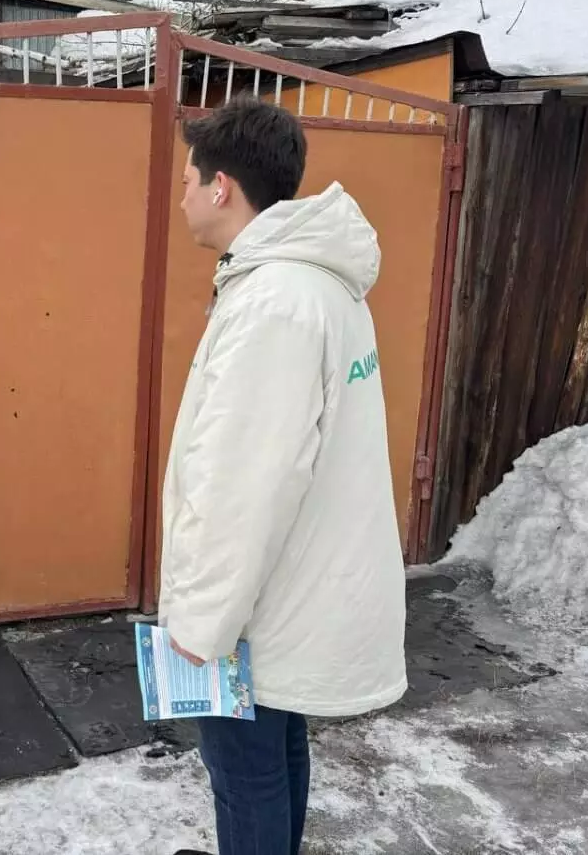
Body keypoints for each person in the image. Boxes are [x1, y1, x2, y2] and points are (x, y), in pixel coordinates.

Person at [160, 99, 407, 855]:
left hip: (258, 593)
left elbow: (247, 483)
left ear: (221, 186)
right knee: (277, 748)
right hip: (290, 583)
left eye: (188, 180)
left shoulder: (276, 301)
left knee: (244, 772)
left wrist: (202, 621)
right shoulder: (314, 284)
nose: (182, 199)